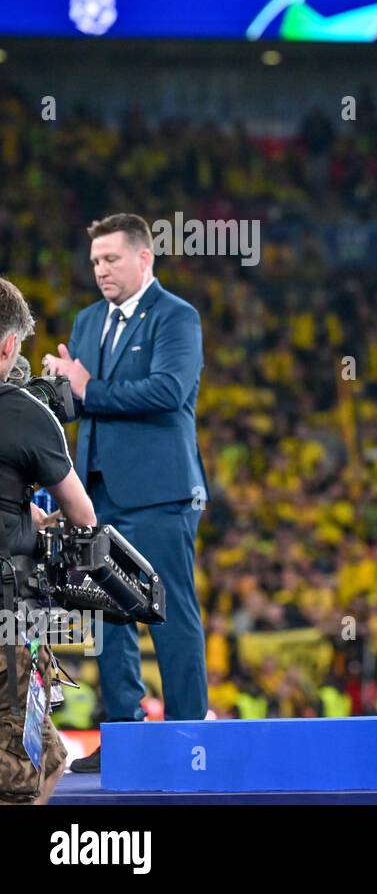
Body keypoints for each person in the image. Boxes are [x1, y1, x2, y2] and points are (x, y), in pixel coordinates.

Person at [42, 214, 209, 773]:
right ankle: (122, 738)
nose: (101, 270)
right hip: (98, 494)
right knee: (108, 616)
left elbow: (168, 390)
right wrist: (60, 388)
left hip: (160, 494)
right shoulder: (89, 321)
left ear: (144, 258)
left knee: (171, 614)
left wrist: (90, 387)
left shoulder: (176, 318)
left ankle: (189, 737)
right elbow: (83, 403)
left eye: (111, 258)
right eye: (94, 261)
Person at [0, 277, 97, 804]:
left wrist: (22, 522)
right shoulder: (24, 411)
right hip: (7, 620)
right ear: (11, 345)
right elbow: (82, 515)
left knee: (52, 760)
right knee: (17, 779)